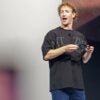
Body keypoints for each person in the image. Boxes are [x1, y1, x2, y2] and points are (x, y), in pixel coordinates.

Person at [41, 2, 94, 100]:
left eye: (66, 11)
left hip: (78, 85)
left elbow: (84, 59)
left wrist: (88, 52)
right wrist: (64, 49)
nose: (63, 14)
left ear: (73, 14)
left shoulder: (80, 36)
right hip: (60, 85)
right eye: (61, 12)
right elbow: (47, 55)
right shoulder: (52, 34)